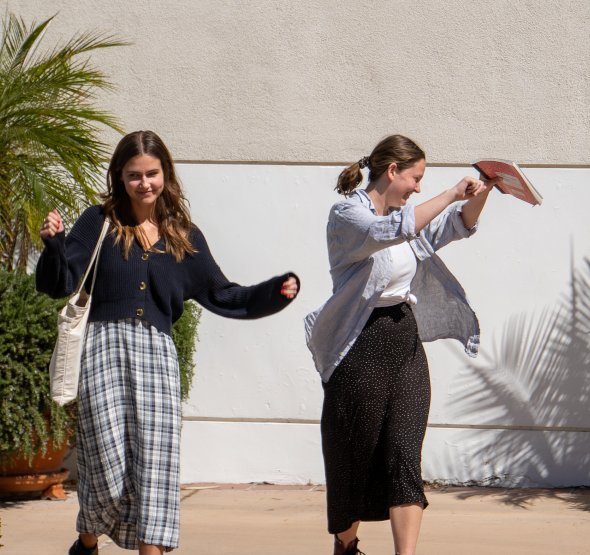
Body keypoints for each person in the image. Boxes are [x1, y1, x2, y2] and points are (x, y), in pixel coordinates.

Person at [36, 130, 300, 555]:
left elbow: (223, 293)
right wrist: (53, 245)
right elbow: (60, 282)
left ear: (166, 174)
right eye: (134, 175)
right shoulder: (98, 222)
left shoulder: (184, 236)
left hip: (158, 357)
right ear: (120, 177)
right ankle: (87, 543)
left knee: (156, 468)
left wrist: (274, 292)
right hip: (104, 349)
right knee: (105, 463)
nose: (145, 183)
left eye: (152, 174)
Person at [304, 135, 497, 555]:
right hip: (359, 345)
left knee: (404, 456)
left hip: (404, 341)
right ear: (391, 171)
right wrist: (449, 193)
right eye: (415, 178)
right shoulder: (347, 215)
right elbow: (390, 230)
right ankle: (348, 544)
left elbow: (456, 225)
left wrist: (484, 191)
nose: (418, 188)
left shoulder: (407, 216)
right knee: (354, 456)